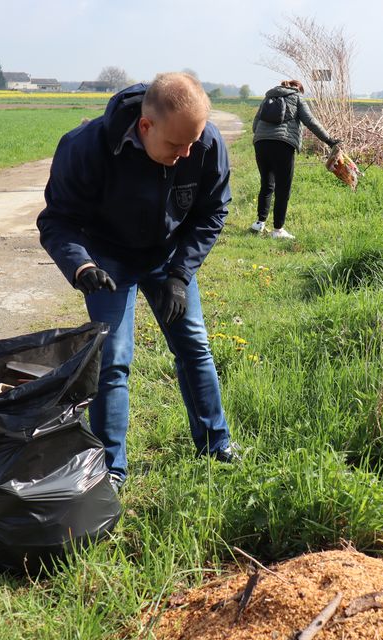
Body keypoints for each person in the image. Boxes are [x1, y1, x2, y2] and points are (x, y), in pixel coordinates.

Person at [36, 72, 237, 493]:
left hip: (168, 256)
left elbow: (212, 212)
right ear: (145, 127)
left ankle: (217, 446)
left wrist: (181, 274)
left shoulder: (205, 142)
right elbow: (57, 220)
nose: (186, 154)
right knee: (113, 359)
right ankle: (111, 471)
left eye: (192, 143)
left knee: (193, 345)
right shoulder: (87, 147)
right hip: (109, 260)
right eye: (175, 145)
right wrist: (82, 266)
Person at [250, 79, 340, 240]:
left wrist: (264, 137)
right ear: (298, 89)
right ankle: (277, 230)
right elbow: (310, 121)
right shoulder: (297, 97)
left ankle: (259, 223)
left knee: (267, 184)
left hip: (260, 143)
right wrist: (329, 140)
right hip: (283, 145)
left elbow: (255, 124)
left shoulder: (268, 96)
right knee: (283, 188)